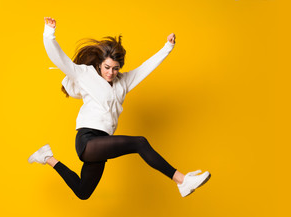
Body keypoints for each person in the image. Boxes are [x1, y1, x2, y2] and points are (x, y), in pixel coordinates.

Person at [28, 17, 211, 199]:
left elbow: (145, 68)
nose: (110, 73)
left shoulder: (122, 82)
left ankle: (47, 157)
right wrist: (49, 33)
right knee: (139, 142)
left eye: (115, 69)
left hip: (103, 141)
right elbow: (60, 59)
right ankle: (182, 180)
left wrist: (167, 47)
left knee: (83, 192)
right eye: (107, 67)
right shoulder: (85, 75)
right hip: (88, 140)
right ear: (99, 64)